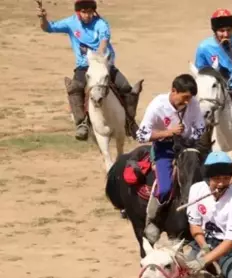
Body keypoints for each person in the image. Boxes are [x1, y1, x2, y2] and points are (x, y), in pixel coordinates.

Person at [38, 0, 138, 141]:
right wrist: (43, 18)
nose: (88, 15)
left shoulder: (101, 23)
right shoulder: (71, 23)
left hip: (103, 64)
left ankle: (130, 122)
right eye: (84, 12)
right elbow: (48, 28)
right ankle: (82, 123)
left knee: (126, 87)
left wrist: (99, 56)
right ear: (78, 12)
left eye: (90, 11)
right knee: (75, 88)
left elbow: (104, 40)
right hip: (84, 66)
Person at [136, 74, 205, 244]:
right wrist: (168, 133)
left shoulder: (193, 103)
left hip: (189, 146)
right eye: (185, 97)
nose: (188, 102)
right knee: (165, 187)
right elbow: (141, 135)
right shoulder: (157, 106)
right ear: (173, 91)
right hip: (165, 148)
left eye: (190, 98)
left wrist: (190, 137)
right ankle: (154, 220)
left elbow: (201, 128)